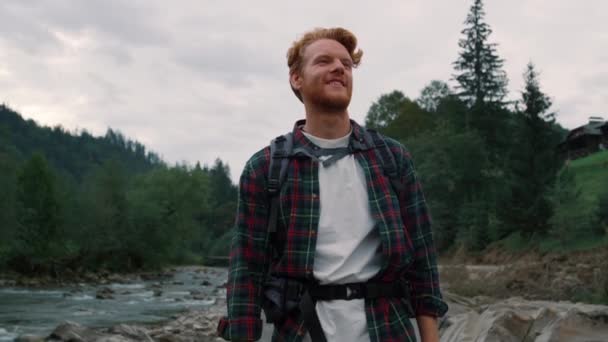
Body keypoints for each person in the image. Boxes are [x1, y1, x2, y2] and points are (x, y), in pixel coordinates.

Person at [217, 27, 447, 342]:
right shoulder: (267, 167)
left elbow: (422, 261)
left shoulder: (392, 158)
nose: (339, 68)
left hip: (388, 330)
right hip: (301, 332)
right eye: (323, 61)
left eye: (346, 64)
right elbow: (246, 270)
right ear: (296, 79)